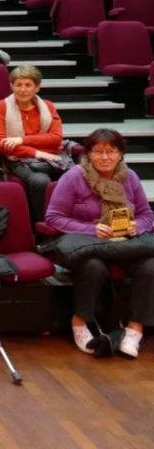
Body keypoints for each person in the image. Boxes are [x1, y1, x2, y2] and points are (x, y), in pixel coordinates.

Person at [44, 128, 154, 358]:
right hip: (89, 244)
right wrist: (91, 229)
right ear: (88, 154)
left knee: (150, 267)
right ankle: (80, 321)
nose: (105, 157)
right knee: (93, 267)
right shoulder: (74, 177)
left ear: (120, 154)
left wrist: (137, 226)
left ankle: (135, 329)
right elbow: (53, 217)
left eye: (111, 151)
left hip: (124, 244)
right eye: (98, 152)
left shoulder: (130, 177)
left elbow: (146, 215)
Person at [0, 64, 69, 223]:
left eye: (28, 85)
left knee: (75, 174)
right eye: (18, 84)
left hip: (52, 156)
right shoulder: (1, 106)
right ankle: (42, 224)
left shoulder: (48, 106)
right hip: (17, 159)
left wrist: (22, 140)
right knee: (40, 181)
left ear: (37, 87)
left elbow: (56, 138)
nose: (23, 89)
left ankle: (70, 218)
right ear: (11, 86)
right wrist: (36, 152)